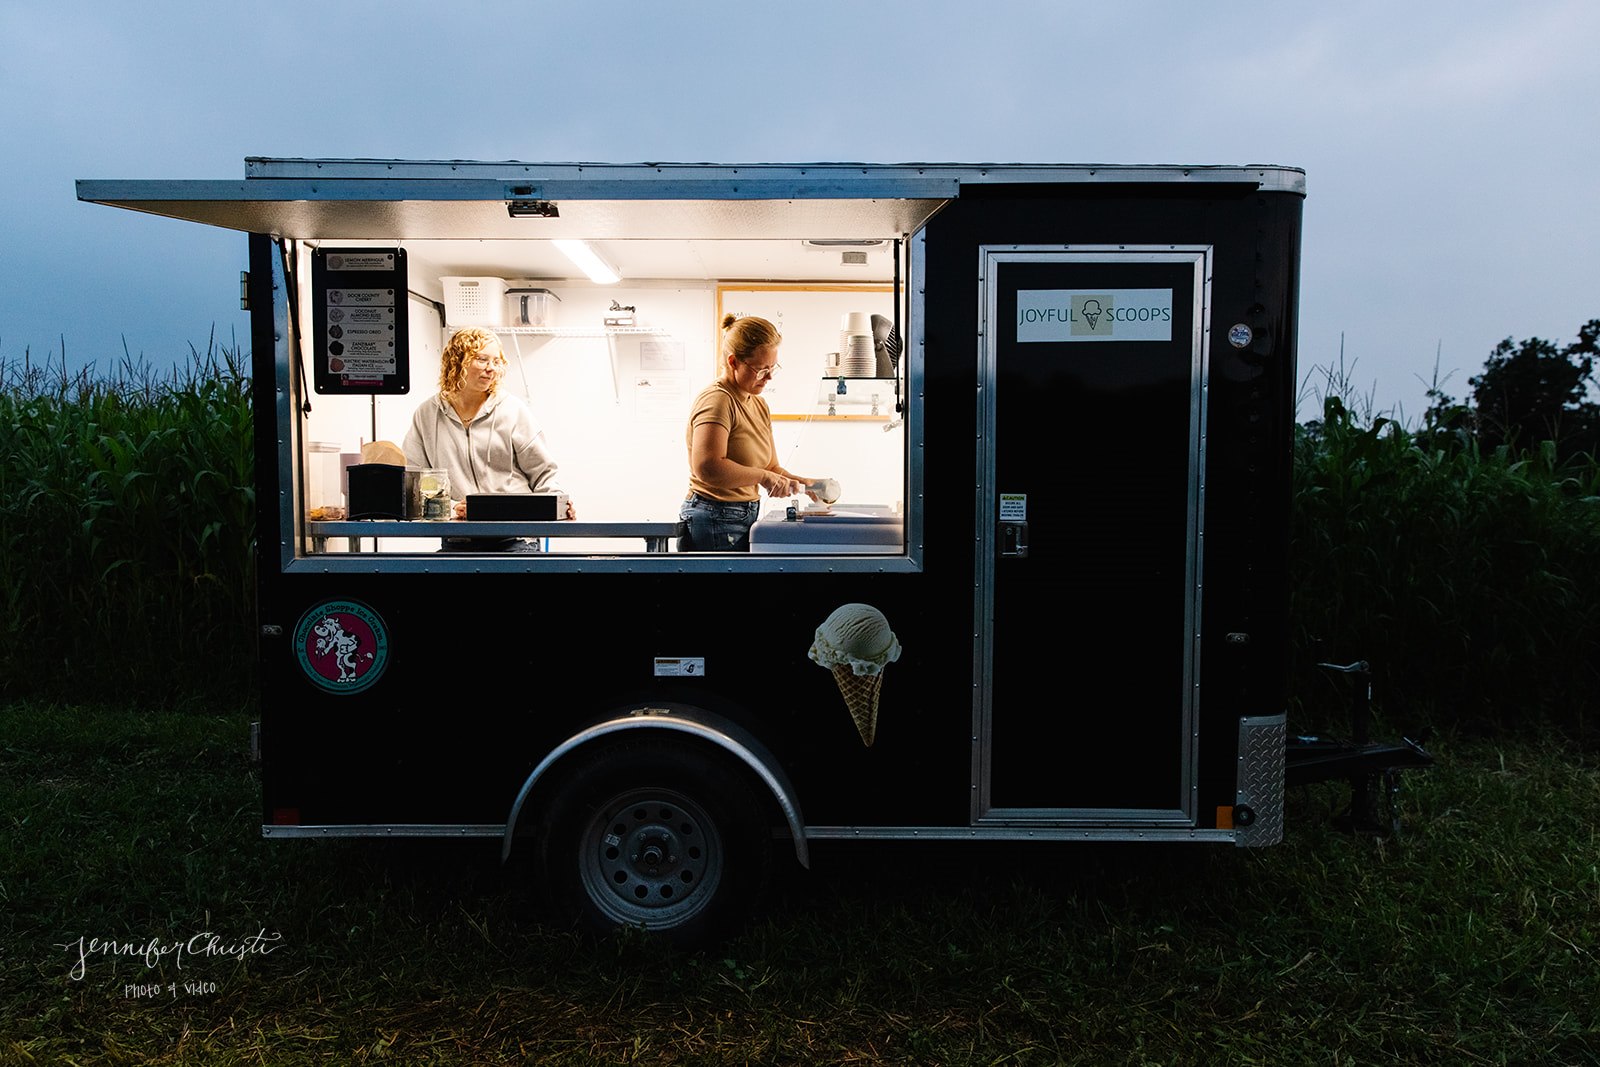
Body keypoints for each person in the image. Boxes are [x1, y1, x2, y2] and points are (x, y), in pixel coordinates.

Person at [403, 327, 575, 551]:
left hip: (516, 538)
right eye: (482, 359)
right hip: (458, 538)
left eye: (496, 361)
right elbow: (414, 482)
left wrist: (559, 504)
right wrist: (453, 507)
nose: (491, 368)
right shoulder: (427, 414)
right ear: (457, 362)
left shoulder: (512, 410)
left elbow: (543, 473)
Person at [679, 314, 815, 551]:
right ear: (733, 362)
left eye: (773, 368)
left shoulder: (758, 404)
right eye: (761, 370)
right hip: (714, 517)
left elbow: (770, 467)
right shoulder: (718, 400)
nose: (769, 377)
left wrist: (805, 484)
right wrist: (764, 478)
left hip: (744, 515)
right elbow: (707, 466)